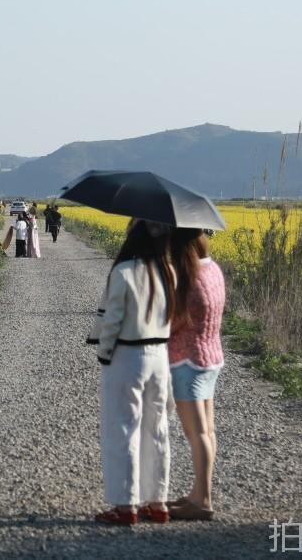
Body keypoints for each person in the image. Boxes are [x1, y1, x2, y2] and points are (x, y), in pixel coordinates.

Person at [86, 218, 176, 525]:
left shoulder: (123, 272)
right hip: (160, 357)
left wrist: (103, 353)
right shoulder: (170, 272)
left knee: (123, 429)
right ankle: (158, 502)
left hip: (128, 355)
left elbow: (112, 320)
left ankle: (125, 506)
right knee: (157, 428)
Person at [165, 227, 225, 520]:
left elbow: (175, 322)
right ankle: (199, 493)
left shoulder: (189, 277)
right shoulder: (213, 269)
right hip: (211, 357)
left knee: (196, 432)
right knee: (208, 430)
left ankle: (203, 500)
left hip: (187, 362)